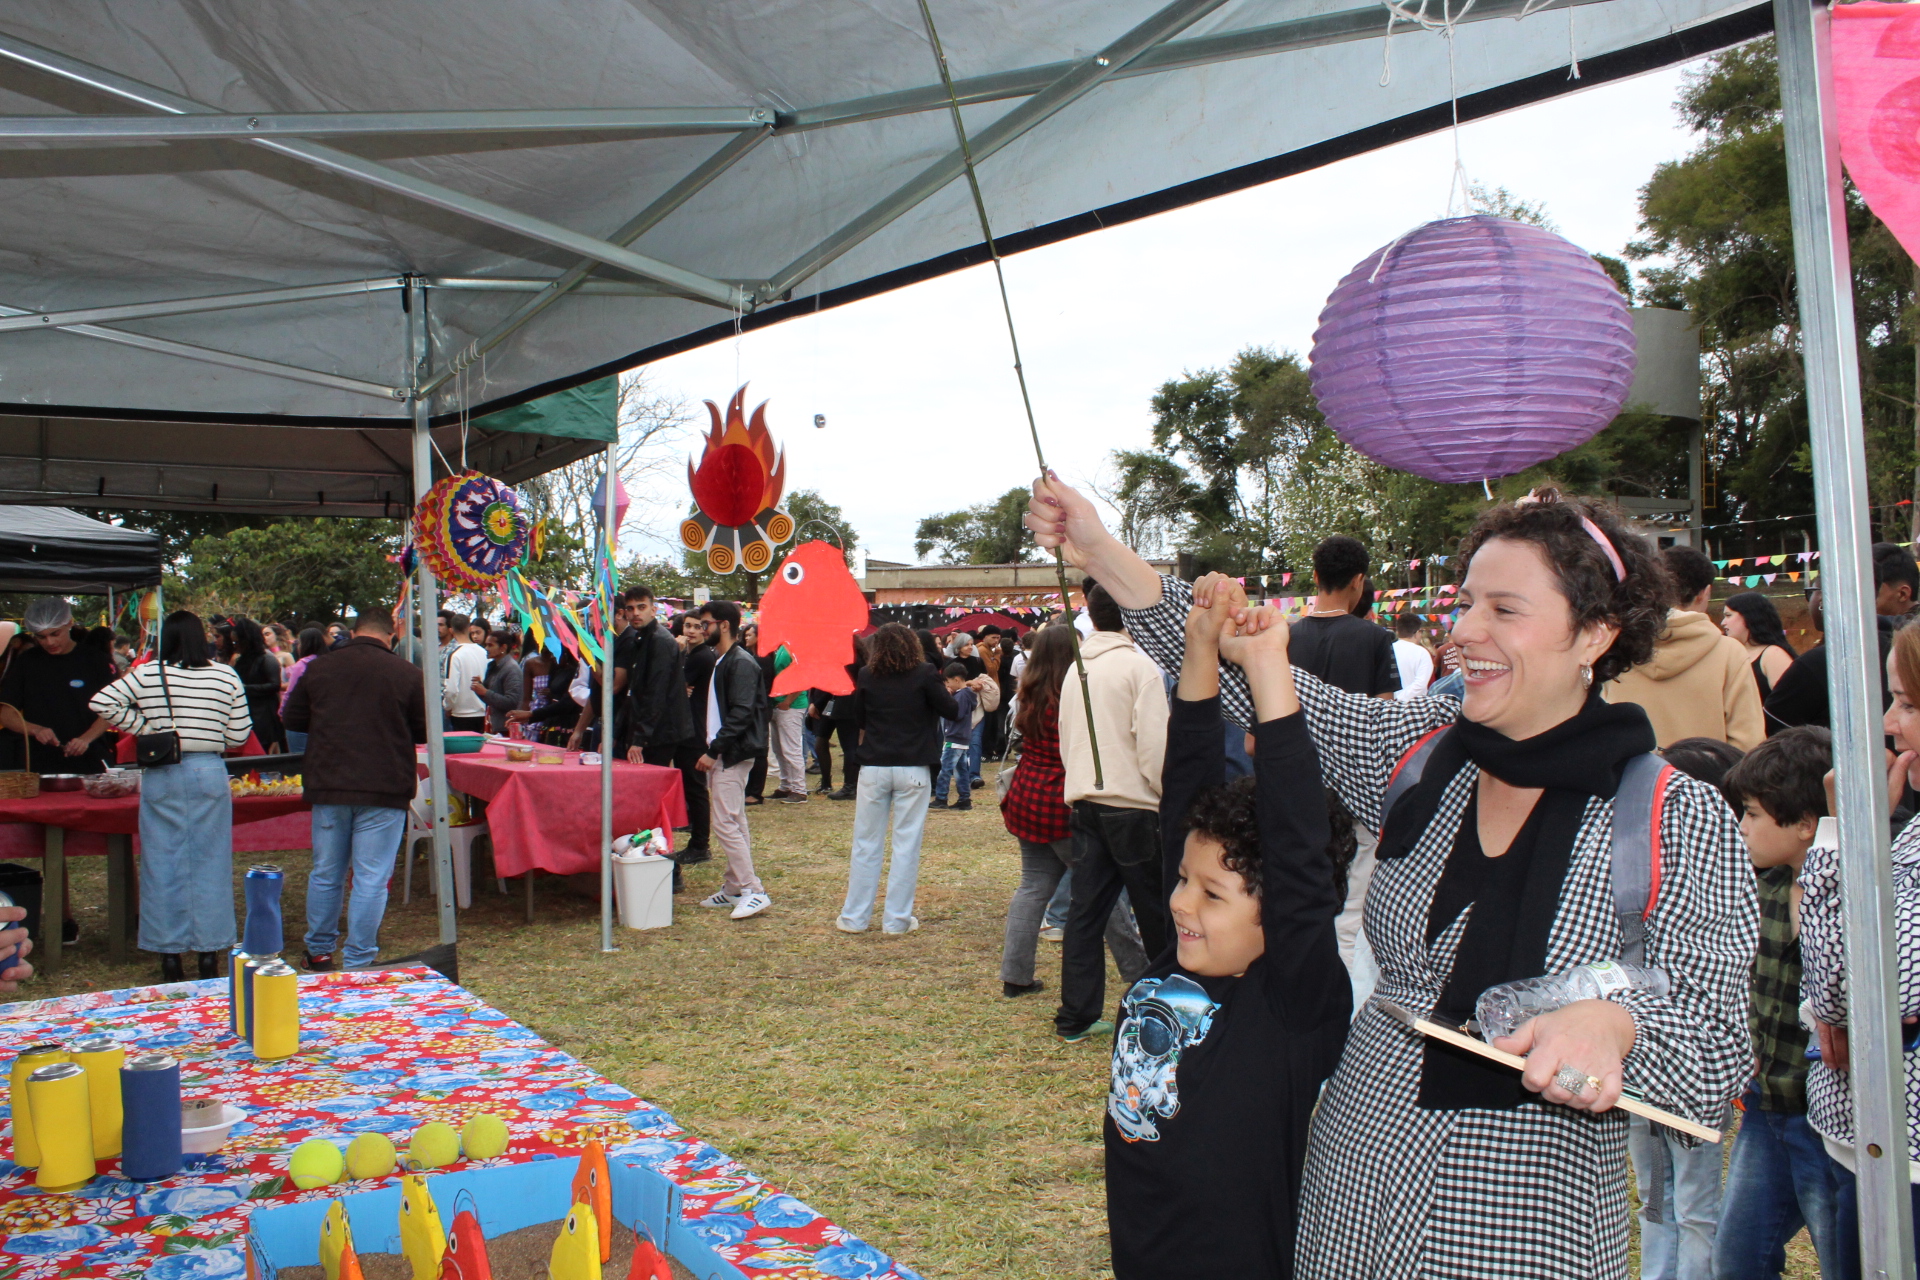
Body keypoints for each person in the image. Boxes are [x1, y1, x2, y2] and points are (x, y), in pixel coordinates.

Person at [1026, 475, 1754, 1278]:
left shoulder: (1674, 817)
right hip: (1350, 1194)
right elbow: (1254, 680)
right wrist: (1098, 548)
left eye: (1504, 609)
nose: (1464, 631)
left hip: (1524, 1221)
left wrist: (1616, 1027)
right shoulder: (1425, 751)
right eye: (1465, 603)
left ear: (1595, 635)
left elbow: (1718, 1050)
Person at [1104, 591, 1349, 1280]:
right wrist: (1199, 646)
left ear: (1282, 911)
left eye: (1212, 893)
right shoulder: (1178, 961)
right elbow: (1187, 779)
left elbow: (1296, 845)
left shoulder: (1291, 1000)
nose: (1181, 902)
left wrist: (1267, 666)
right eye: (1185, 878)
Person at [1798, 620, 1920, 1274]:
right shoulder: (1912, 832)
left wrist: (1841, 835)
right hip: (1872, 1137)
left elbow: (1857, 987)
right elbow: (1830, 987)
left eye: (1907, 703)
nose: (1889, 725)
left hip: (1902, 1153)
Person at [1702, 727, 1843, 1280]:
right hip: (1767, 1108)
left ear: (1806, 824)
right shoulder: (1761, 890)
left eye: (1754, 814)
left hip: (1828, 1120)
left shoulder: (1854, 899)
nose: (1741, 826)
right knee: (1736, 1257)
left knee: (1847, 1258)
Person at [90, 610, 252, 982]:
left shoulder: (148, 673)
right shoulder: (226, 675)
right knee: (212, 861)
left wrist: (148, 729)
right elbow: (239, 735)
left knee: (161, 862)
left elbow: (102, 703)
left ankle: (169, 954)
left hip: (162, 770)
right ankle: (210, 952)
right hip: (208, 769)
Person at [1000, 624, 1147, 998]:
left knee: (1033, 886)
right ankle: (1139, 972)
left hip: (1027, 796)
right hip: (1061, 801)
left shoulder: (1028, 693)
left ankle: (1015, 976)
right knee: (1103, 891)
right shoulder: (1072, 696)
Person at [1054, 580, 1172, 1044]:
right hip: (1134, 807)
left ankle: (1075, 1016)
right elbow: (1155, 746)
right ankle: (1166, 1012)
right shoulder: (1140, 667)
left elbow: (1066, 737)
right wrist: (1164, 794)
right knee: (1157, 915)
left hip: (1086, 802)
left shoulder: (1076, 669)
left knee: (1085, 915)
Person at [281, 609, 426, 971]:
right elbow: (425, 730)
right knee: (371, 877)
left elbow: (292, 718)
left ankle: (319, 951)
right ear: (391, 634)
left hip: (330, 781)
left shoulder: (320, 668)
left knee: (326, 872)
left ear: (353, 630)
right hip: (385, 784)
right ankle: (359, 959)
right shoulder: (407, 673)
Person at [835, 623, 957, 934]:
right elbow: (951, 710)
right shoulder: (925, 673)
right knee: (906, 844)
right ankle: (896, 921)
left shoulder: (867, 675)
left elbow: (860, 717)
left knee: (865, 843)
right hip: (913, 766)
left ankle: (854, 918)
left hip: (874, 765)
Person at [1606, 545, 1763, 751]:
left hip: (1629, 770)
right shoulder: (1729, 653)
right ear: (1705, 592)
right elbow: (1748, 741)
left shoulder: (1613, 646)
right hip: (1706, 770)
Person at [1765, 543, 1914, 730]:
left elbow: (1771, 735)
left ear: (1823, 598)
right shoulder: (1899, 647)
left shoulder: (1819, 664)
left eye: (1812, 592)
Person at [694, 601, 771, 920]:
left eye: (706, 624)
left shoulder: (739, 662)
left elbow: (741, 712)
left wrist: (715, 750)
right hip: (729, 750)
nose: (702, 630)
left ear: (724, 625)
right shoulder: (725, 660)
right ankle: (735, 887)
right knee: (734, 819)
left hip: (732, 752)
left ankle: (753, 889)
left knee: (726, 822)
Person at [0, 596, 118, 775]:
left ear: (69, 623)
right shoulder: (27, 662)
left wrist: (85, 739)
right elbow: (7, 713)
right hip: (41, 763)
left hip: (92, 758)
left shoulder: (96, 660)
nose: (50, 642)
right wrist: (35, 730)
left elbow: (113, 708)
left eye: (55, 634)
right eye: (41, 637)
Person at [617, 587, 694, 770]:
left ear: (653, 610)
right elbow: (634, 692)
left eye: (641, 607)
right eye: (630, 608)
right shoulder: (640, 638)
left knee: (647, 783)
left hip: (660, 732)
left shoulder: (660, 641)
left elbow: (656, 692)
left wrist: (640, 739)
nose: (636, 613)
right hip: (650, 729)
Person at [1720, 591, 1797, 707]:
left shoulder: (1773, 654)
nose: (1723, 623)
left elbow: (1790, 702)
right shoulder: (1731, 654)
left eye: (1728, 615)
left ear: (1749, 616)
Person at [231, 616, 285, 753]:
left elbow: (275, 685)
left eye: (237, 642)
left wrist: (246, 688)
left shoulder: (267, 658)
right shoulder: (242, 659)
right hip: (248, 713)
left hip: (264, 716)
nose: (235, 645)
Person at [766, 646, 811, 803]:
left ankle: (799, 789)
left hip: (791, 706)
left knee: (791, 749)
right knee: (779, 749)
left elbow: (803, 676)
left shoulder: (795, 648)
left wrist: (788, 701)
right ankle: (786, 785)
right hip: (779, 704)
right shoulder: (781, 648)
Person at [930, 663, 977, 810]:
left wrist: (948, 701)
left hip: (954, 737)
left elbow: (956, 714)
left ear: (956, 680)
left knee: (945, 769)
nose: (948, 685)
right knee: (961, 769)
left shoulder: (961, 696)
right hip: (962, 738)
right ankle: (964, 799)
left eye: (948, 681)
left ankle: (941, 797)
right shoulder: (967, 695)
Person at [438, 610, 488, 732]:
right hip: (482, 710)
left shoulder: (455, 655)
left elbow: (451, 689)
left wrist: (447, 706)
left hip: (461, 713)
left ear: (451, 630)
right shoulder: (483, 652)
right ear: (469, 629)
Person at [280, 626, 327, 752]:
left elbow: (291, 691)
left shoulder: (302, 664)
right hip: (322, 719)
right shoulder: (328, 662)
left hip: (299, 719)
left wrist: (282, 710)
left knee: (298, 758)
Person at [471, 628, 523, 736]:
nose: (486, 648)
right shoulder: (493, 666)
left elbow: (512, 702)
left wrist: (485, 692)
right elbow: (490, 699)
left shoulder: (511, 669)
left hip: (506, 728)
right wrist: (479, 688)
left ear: (503, 648)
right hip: (494, 725)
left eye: (490, 645)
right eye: (486, 645)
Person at [1391, 614, 1435, 701]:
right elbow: (1420, 684)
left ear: (1398, 631)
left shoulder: (1387, 649)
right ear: (1417, 632)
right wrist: (1400, 699)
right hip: (1414, 703)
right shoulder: (1422, 653)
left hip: (1388, 701)